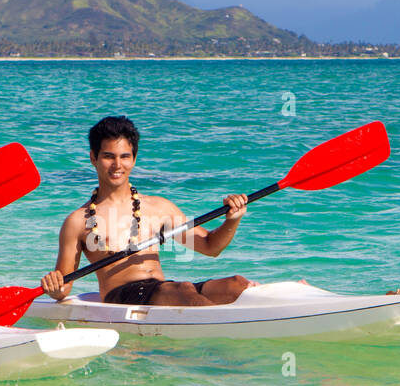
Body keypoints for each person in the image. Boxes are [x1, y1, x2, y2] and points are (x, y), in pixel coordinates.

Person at [40, 115, 257, 306]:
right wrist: (55, 287)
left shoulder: (159, 207)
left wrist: (232, 220)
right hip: (122, 296)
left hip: (164, 290)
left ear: (133, 159)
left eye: (125, 156)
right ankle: (217, 339)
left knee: (237, 285)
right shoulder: (78, 222)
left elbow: (210, 247)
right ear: (93, 158)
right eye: (108, 156)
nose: (117, 165)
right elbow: (64, 287)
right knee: (181, 291)